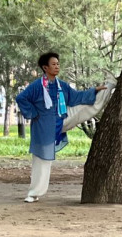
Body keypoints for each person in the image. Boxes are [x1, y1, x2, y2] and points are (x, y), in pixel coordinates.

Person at [15, 52, 106, 203]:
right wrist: (33, 113)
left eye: (58, 64)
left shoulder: (61, 85)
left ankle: (107, 89)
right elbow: (21, 98)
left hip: (61, 119)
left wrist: (95, 91)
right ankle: (33, 192)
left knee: (83, 107)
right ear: (45, 67)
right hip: (43, 126)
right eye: (53, 64)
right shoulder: (37, 86)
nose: (57, 67)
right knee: (41, 159)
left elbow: (76, 97)